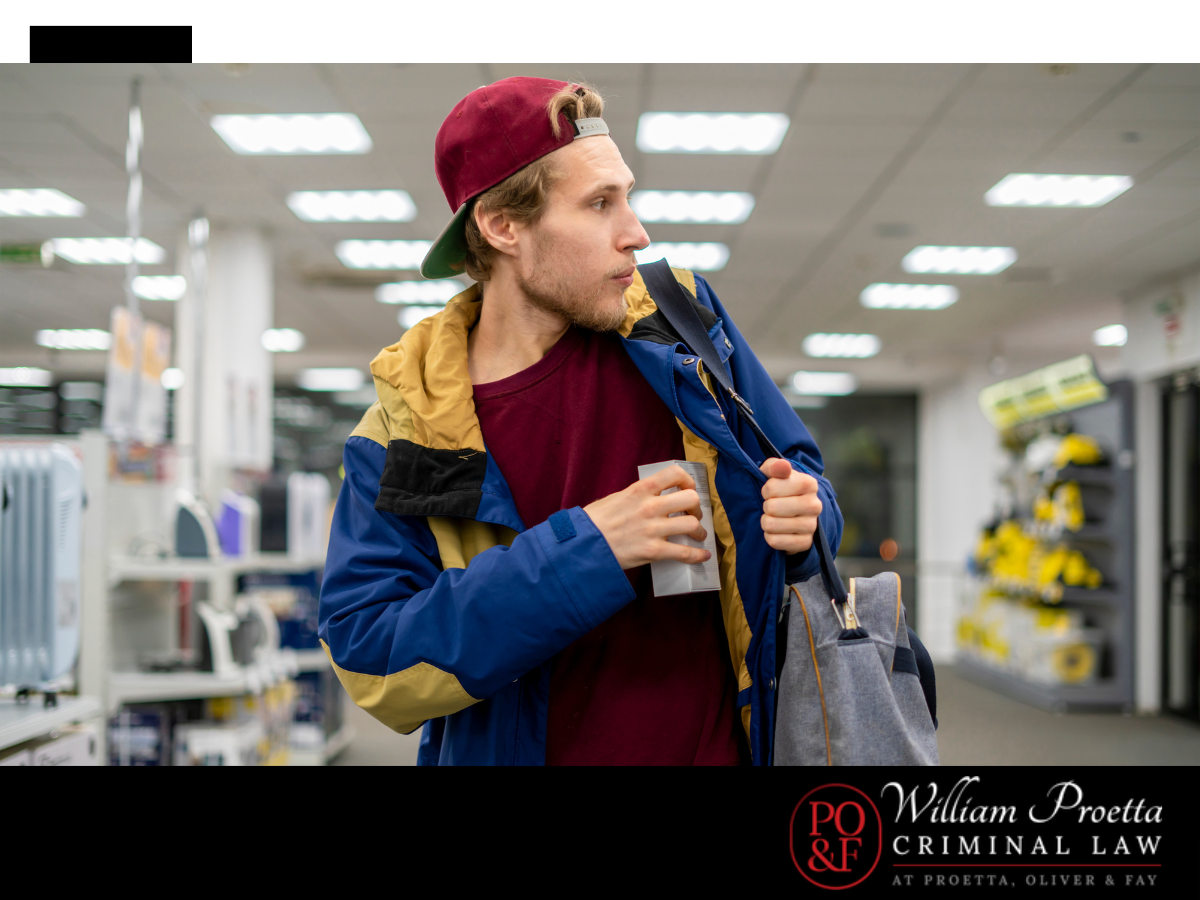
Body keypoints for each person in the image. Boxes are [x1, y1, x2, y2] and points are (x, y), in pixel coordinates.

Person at [317, 76, 844, 765]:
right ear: (503, 227)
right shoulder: (408, 423)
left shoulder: (679, 324)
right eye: (599, 204)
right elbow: (371, 656)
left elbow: (800, 474)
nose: (636, 233)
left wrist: (806, 517)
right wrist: (591, 548)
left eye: (626, 196)